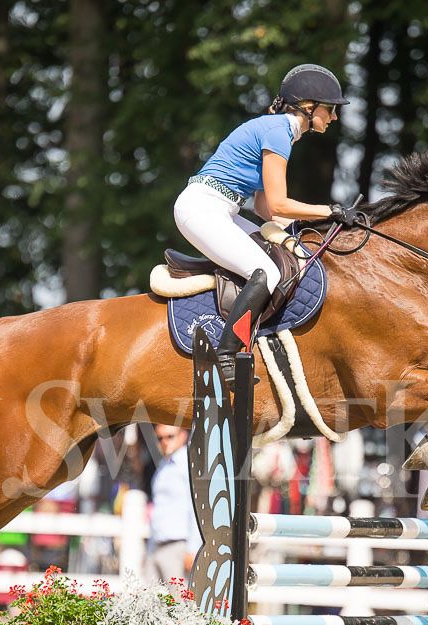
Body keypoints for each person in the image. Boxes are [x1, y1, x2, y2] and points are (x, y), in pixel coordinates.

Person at [174, 63, 358, 385]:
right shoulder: (278, 132)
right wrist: (330, 211)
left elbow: (262, 207)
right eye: (330, 109)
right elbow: (278, 204)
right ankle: (226, 355)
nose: (334, 117)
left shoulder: (277, 130)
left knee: (280, 254)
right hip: (202, 208)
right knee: (267, 273)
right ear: (308, 107)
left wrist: (304, 228)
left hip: (220, 209)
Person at [145, 426, 201, 583]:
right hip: (156, 543)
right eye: (160, 438)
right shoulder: (164, 465)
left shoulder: (189, 464)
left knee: (177, 597)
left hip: (177, 545)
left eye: (170, 436)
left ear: (183, 435)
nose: (164, 442)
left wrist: (193, 549)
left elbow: (195, 508)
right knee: (148, 596)